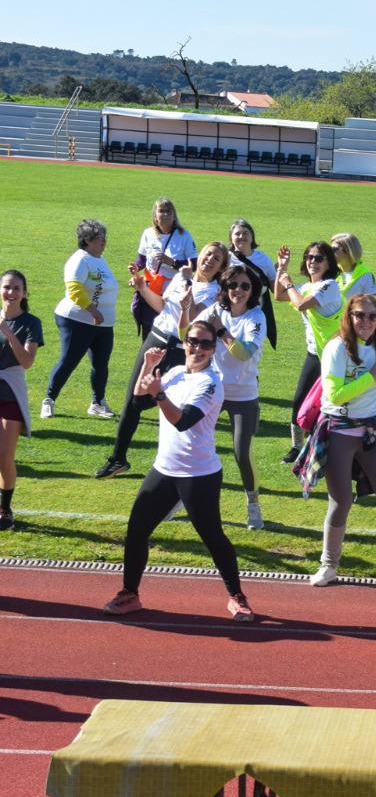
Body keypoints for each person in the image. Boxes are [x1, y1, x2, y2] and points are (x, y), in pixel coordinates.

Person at [102, 321, 255, 622]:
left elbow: (183, 421)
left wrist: (159, 394)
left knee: (212, 536)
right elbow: (138, 401)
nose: (198, 348)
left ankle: (237, 597)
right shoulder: (173, 373)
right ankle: (130, 594)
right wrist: (147, 367)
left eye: (205, 344)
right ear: (185, 343)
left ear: (213, 350)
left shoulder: (211, 383)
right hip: (164, 469)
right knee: (137, 530)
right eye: (193, 341)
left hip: (199, 474)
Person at [308, 293, 376, 587]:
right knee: (341, 500)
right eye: (359, 315)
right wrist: (371, 375)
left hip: (371, 432)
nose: (366, 322)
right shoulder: (336, 348)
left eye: (372, 316)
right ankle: (329, 565)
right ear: (349, 316)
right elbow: (334, 395)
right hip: (339, 432)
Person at [97, 241, 229, 479]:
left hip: (181, 351)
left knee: (173, 404)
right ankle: (118, 458)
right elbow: (162, 306)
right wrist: (142, 287)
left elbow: (194, 317)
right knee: (133, 400)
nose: (210, 260)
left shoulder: (215, 292)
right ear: (200, 256)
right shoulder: (180, 277)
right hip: (155, 340)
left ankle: (180, 462)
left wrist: (188, 284)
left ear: (221, 267)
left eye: (216, 259)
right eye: (208, 254)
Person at [197, 265, 268, 528]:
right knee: (195, 444)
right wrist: (183, 310)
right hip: (213, 390)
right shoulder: (215, 311)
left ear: (253, 290)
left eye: (245, 286)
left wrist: (221, 332)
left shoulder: (256, 317)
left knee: (241, 452)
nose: (238, 290)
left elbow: (244, 353)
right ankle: (181, 497)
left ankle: (253, 503)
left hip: (244, 395)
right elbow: (189, 334)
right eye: (233, 285)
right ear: (225, 288)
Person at [275, 242, 345, 463]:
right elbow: (279, 295)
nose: (313, 261)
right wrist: (281, 269)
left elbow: (301, 304)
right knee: (299, 401)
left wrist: (288, 283)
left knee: (329, 404)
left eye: (319, 258)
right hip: (314, 355)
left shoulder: (330, 286)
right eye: (309, 257)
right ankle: (297, 447)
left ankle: (327, 448)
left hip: (334, 357)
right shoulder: (306, 286)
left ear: (329, 263)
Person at [42, 219, 117, 421]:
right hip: (78, 320)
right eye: (98, 237)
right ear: (87, 240)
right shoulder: (80, 260)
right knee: (69, 361)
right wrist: (93, 311)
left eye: (104, 236)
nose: (104, 240)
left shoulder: (99, 259)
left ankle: (97, 403)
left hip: (103, 324)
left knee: (101, 365)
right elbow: (74, 289)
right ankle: (49, 399)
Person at [0, 270, 44, 531]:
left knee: (4, 456)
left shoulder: (31, 323)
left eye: (17, 288)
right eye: (7, 287)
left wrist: (7, 331)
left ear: (25, 293)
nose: (11, 293)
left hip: (10, 394)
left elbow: (27, 362)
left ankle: (5, 509)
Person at [131, 198, 197, 339]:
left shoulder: (184, 235)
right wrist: (135, 267)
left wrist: (172, 262)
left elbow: (194, 266)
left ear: (174, 216)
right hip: (151, 289)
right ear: (155, 216)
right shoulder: (148, 233)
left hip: (173, 292)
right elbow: (141, 260)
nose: (165, 214)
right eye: (161, 211)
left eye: (169, 211)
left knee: (170, 330)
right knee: (149, 330)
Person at [227, 219, 278, 350]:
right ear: (231, 238)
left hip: (254, 311)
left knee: (250, 348)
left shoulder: (263, 259)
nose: (241, 236)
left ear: (252, 237)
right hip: (230, 311)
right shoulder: (225, 258)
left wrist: (282, 270)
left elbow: (275, 289)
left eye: (245, 233)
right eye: (237, 234)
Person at [331, 232, 376, 301]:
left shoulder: (365, 275)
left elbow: (372, 302)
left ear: (348, 251)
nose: (330, 253)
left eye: (334, 249)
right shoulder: (329, 270)